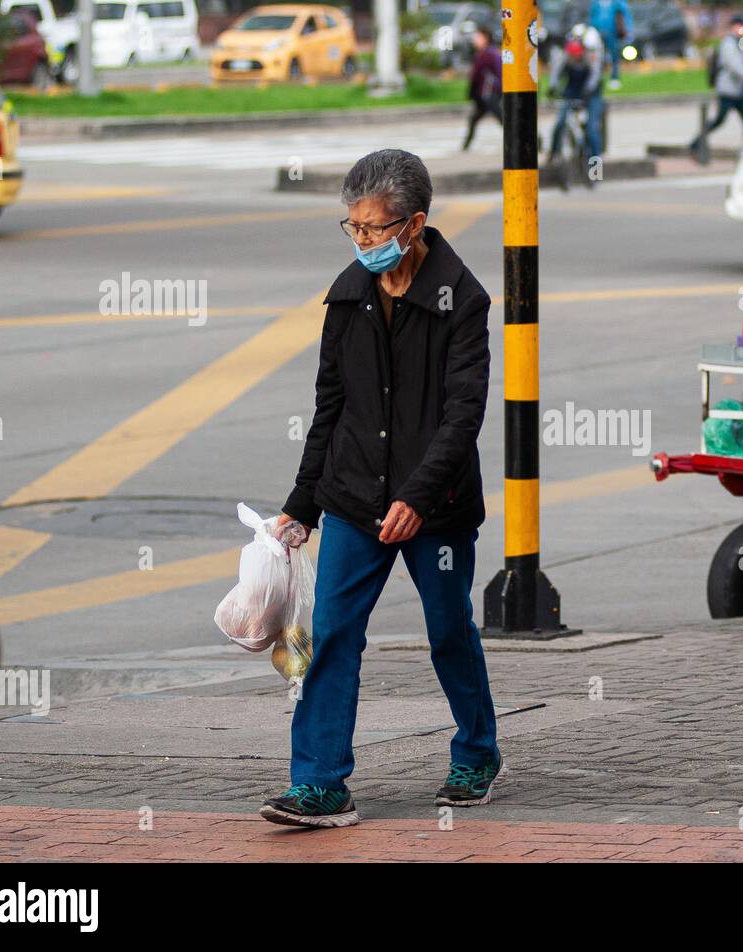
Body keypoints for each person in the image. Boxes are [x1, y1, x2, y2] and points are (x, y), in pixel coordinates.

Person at [261, 149, 500, 828]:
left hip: (438, 507)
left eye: (374, 229)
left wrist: (419, 498)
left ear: (414, 222)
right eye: (353, 227)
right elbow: (330, 405)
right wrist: (301, 505)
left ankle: (478, 752)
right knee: (332, 634)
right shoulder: (347, 294)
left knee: (448, 629)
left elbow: (463, 414)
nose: (362, 241)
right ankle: (319, 784)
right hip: (354, 499)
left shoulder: (462, 297)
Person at [689, 15, 743, 156]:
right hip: (728, 90)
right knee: (719, 120)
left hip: (739, 91)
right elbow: (735, 67)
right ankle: (695, 143)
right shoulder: (728, 44)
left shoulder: (738, 42)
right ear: (736, 26)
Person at [549, 28, 605, 162]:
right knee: (560, 123)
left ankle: (595, 167)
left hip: (591, 94)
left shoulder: (592, 56)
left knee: (592, 130)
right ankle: (554, 153)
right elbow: (556, 74)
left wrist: (588, 91)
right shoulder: (567, 55)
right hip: (571, 90)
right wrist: (553, 88)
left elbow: (595, 76)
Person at [463, 26, 502, 151]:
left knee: (504, 120)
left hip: (489, 94)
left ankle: (532, 141)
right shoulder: (487, 53)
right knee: (474, 119)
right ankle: (466, 146)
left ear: (485, 38)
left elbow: (477, 76)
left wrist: (471, 93)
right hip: (486, 95)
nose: (475, 40)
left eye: (477, 37)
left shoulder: (488, 54)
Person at [588, 0, 631, 88]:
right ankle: (597, 79)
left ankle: (614, 78)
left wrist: (625, 30)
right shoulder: (595, 3)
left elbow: (624, 16)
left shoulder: (617, 3)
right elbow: (592, 17)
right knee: (598, 57)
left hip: (613, 33)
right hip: (598, 33)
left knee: (614, 56)